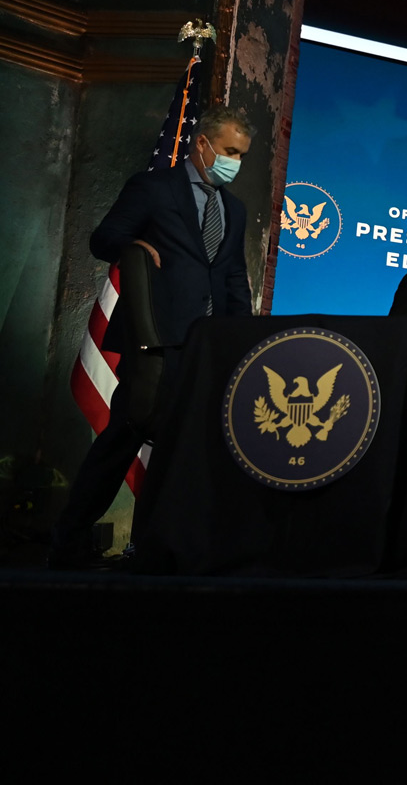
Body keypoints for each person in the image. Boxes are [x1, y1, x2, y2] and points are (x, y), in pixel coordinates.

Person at [50, 107, 255, 568]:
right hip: (153, 341)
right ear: (200, 143)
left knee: (182, 452)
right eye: (228, 151)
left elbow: (233, 277)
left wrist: (239, 338)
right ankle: (68, 541)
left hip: (205, 348)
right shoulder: (154, 188)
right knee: (122, 439)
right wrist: (133, 245)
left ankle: (154, 546)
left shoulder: (235, 209)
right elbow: (104, 239)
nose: (234, 162)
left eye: (241, 155)